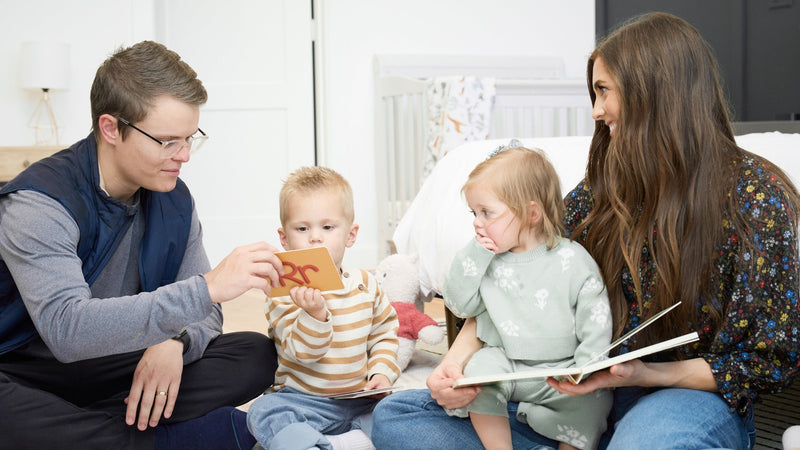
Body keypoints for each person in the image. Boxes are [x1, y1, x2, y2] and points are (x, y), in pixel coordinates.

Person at [371, 11, 800, 450]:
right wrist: (456, 365)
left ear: (654, 92)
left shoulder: (756, 198)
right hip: (577, 391)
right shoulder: (606, 182)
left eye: (603, 91)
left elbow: (766, 360)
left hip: (680, 394)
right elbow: (516, 269)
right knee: (395, 417)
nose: (595, 111)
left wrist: (644, 373)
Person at [0, 41, 284, 449]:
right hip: (26, 367)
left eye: (190, 138)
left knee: (255, 354)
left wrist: (173, 341)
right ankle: (157, 440)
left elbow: (206, 318)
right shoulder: (40, 202)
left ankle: (82, 433)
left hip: (112, 366)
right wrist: (207, 287)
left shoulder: (174, 198)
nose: (184, 155)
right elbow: (68, 329)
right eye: (168, 141)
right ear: (111, 128)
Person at [442, 146, 612, 450]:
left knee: (595, 401)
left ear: (532, 213)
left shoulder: (571, 260)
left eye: (487, 212)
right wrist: (476, 254)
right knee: (479, 373)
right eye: (474, 213)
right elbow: (459, 305)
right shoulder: (487, 261)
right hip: (506, 365)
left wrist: (585, 367)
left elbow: (595, 318)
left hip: (561, 369)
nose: (476, 222)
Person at [246, 166, 400, 450]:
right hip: (303, 400)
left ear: (350, 235)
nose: (315, 237)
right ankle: (320, 444)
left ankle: (347, 441)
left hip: (358, 399)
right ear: (284, 239)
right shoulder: (282, 291)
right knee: (264, 412)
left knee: (400, 409)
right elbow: (302, 354)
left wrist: (381, 374)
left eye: (328, 227)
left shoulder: (367, 283)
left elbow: (384, 336)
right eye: (302, 228)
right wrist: (314, 314)